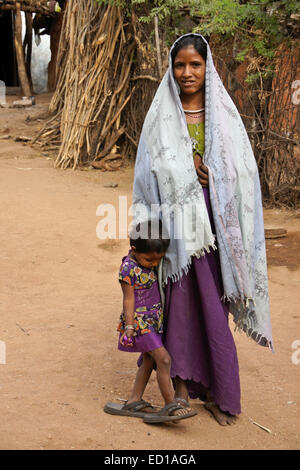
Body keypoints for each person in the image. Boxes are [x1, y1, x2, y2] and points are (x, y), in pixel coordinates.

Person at [132, 34, 273, 426]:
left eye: (195, 65)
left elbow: (244, 170)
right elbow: (149, 170)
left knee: (214, 304)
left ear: (207, 67)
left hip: (216, 227)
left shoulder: (224, 115)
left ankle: (218, 391)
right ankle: (179, 389)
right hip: (179, 230)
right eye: (180, 65)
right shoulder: (161, 115)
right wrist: (183, 170)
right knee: (178, 305)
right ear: (171, 68)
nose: (188, 72)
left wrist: (218, 176)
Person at [104, 220, 198, 423]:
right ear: (134, 249)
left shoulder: (147, 259)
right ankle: (170, 405)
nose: (154, 264)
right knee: (163, 359)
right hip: (139, 324)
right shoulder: (128, 269)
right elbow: (128, 299)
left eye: (158, 260)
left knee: (148, 361)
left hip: (153, 322)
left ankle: (134, 400)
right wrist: (129, 326)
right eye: (149, 260)